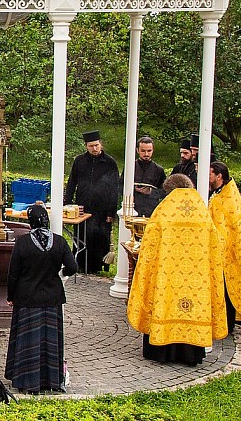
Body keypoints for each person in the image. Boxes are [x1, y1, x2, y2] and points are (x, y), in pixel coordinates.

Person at [128, 173, 226, 365]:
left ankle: (161, 350)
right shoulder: (202, 212)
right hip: (197, 279)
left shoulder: (164, 211)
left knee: (165, 304)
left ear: (170, 191)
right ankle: (191, 353)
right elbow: (215, 246)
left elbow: (149, 246)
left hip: (167, 277)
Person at [5, 203, 78, 393]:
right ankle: (51, 380)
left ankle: (27, 380)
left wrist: (10, 296)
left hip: (27, 300)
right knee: (49, 343)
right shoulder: (60, 242)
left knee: (28, 343)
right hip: (53, 300)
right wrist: (60, 274)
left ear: (30, 222)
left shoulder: (22, 243)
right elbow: (73, 266)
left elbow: (13, 274)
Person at [208, 161, 241, 334]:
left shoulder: (229, 199)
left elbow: (228, 228)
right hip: (218, 250)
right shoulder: (219, 193)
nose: (207, 177)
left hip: (228, 252)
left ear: (219, 176)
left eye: (210, 174)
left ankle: (227, 324)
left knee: (226, 288)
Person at [65, 130, 120, 273]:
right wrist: (67, 204)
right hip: (82, 206)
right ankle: (80, 264)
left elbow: (114, 188)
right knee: (81, 236)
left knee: (99, 237)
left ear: (101, 144)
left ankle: (96, 267)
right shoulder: (79, 161)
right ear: (86, 146)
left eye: (96, 145)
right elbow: (72, 183)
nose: (94, 149)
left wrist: (111, 212)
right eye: (91, 146)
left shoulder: (110, 163)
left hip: (102, 208)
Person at [123, 136, 166, 217]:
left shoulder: (159, 170)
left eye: (149, 151)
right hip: (133, 208)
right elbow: (121, 185)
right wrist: (132, 190)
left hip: (151, 209)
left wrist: (151, 191)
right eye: (143, 151)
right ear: (137, 150)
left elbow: (164, 191)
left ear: (153, 150)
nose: (146, 154)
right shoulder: (130, 167)